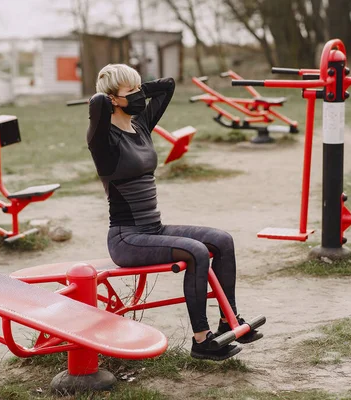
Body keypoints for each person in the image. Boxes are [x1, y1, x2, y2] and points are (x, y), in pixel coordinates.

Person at [87, 64, 262, 361]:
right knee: (196, 252)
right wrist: (109, 88)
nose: (140, 97)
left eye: (140, 90)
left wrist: (134, 90)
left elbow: (167, 86)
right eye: (132, 92)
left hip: (154, 229)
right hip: (127, 238)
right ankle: (201, 340)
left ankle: (227, 322)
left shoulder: (140, 125)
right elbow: (97, 104)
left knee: (222, 240)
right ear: (114, 99)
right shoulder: (102, 139)